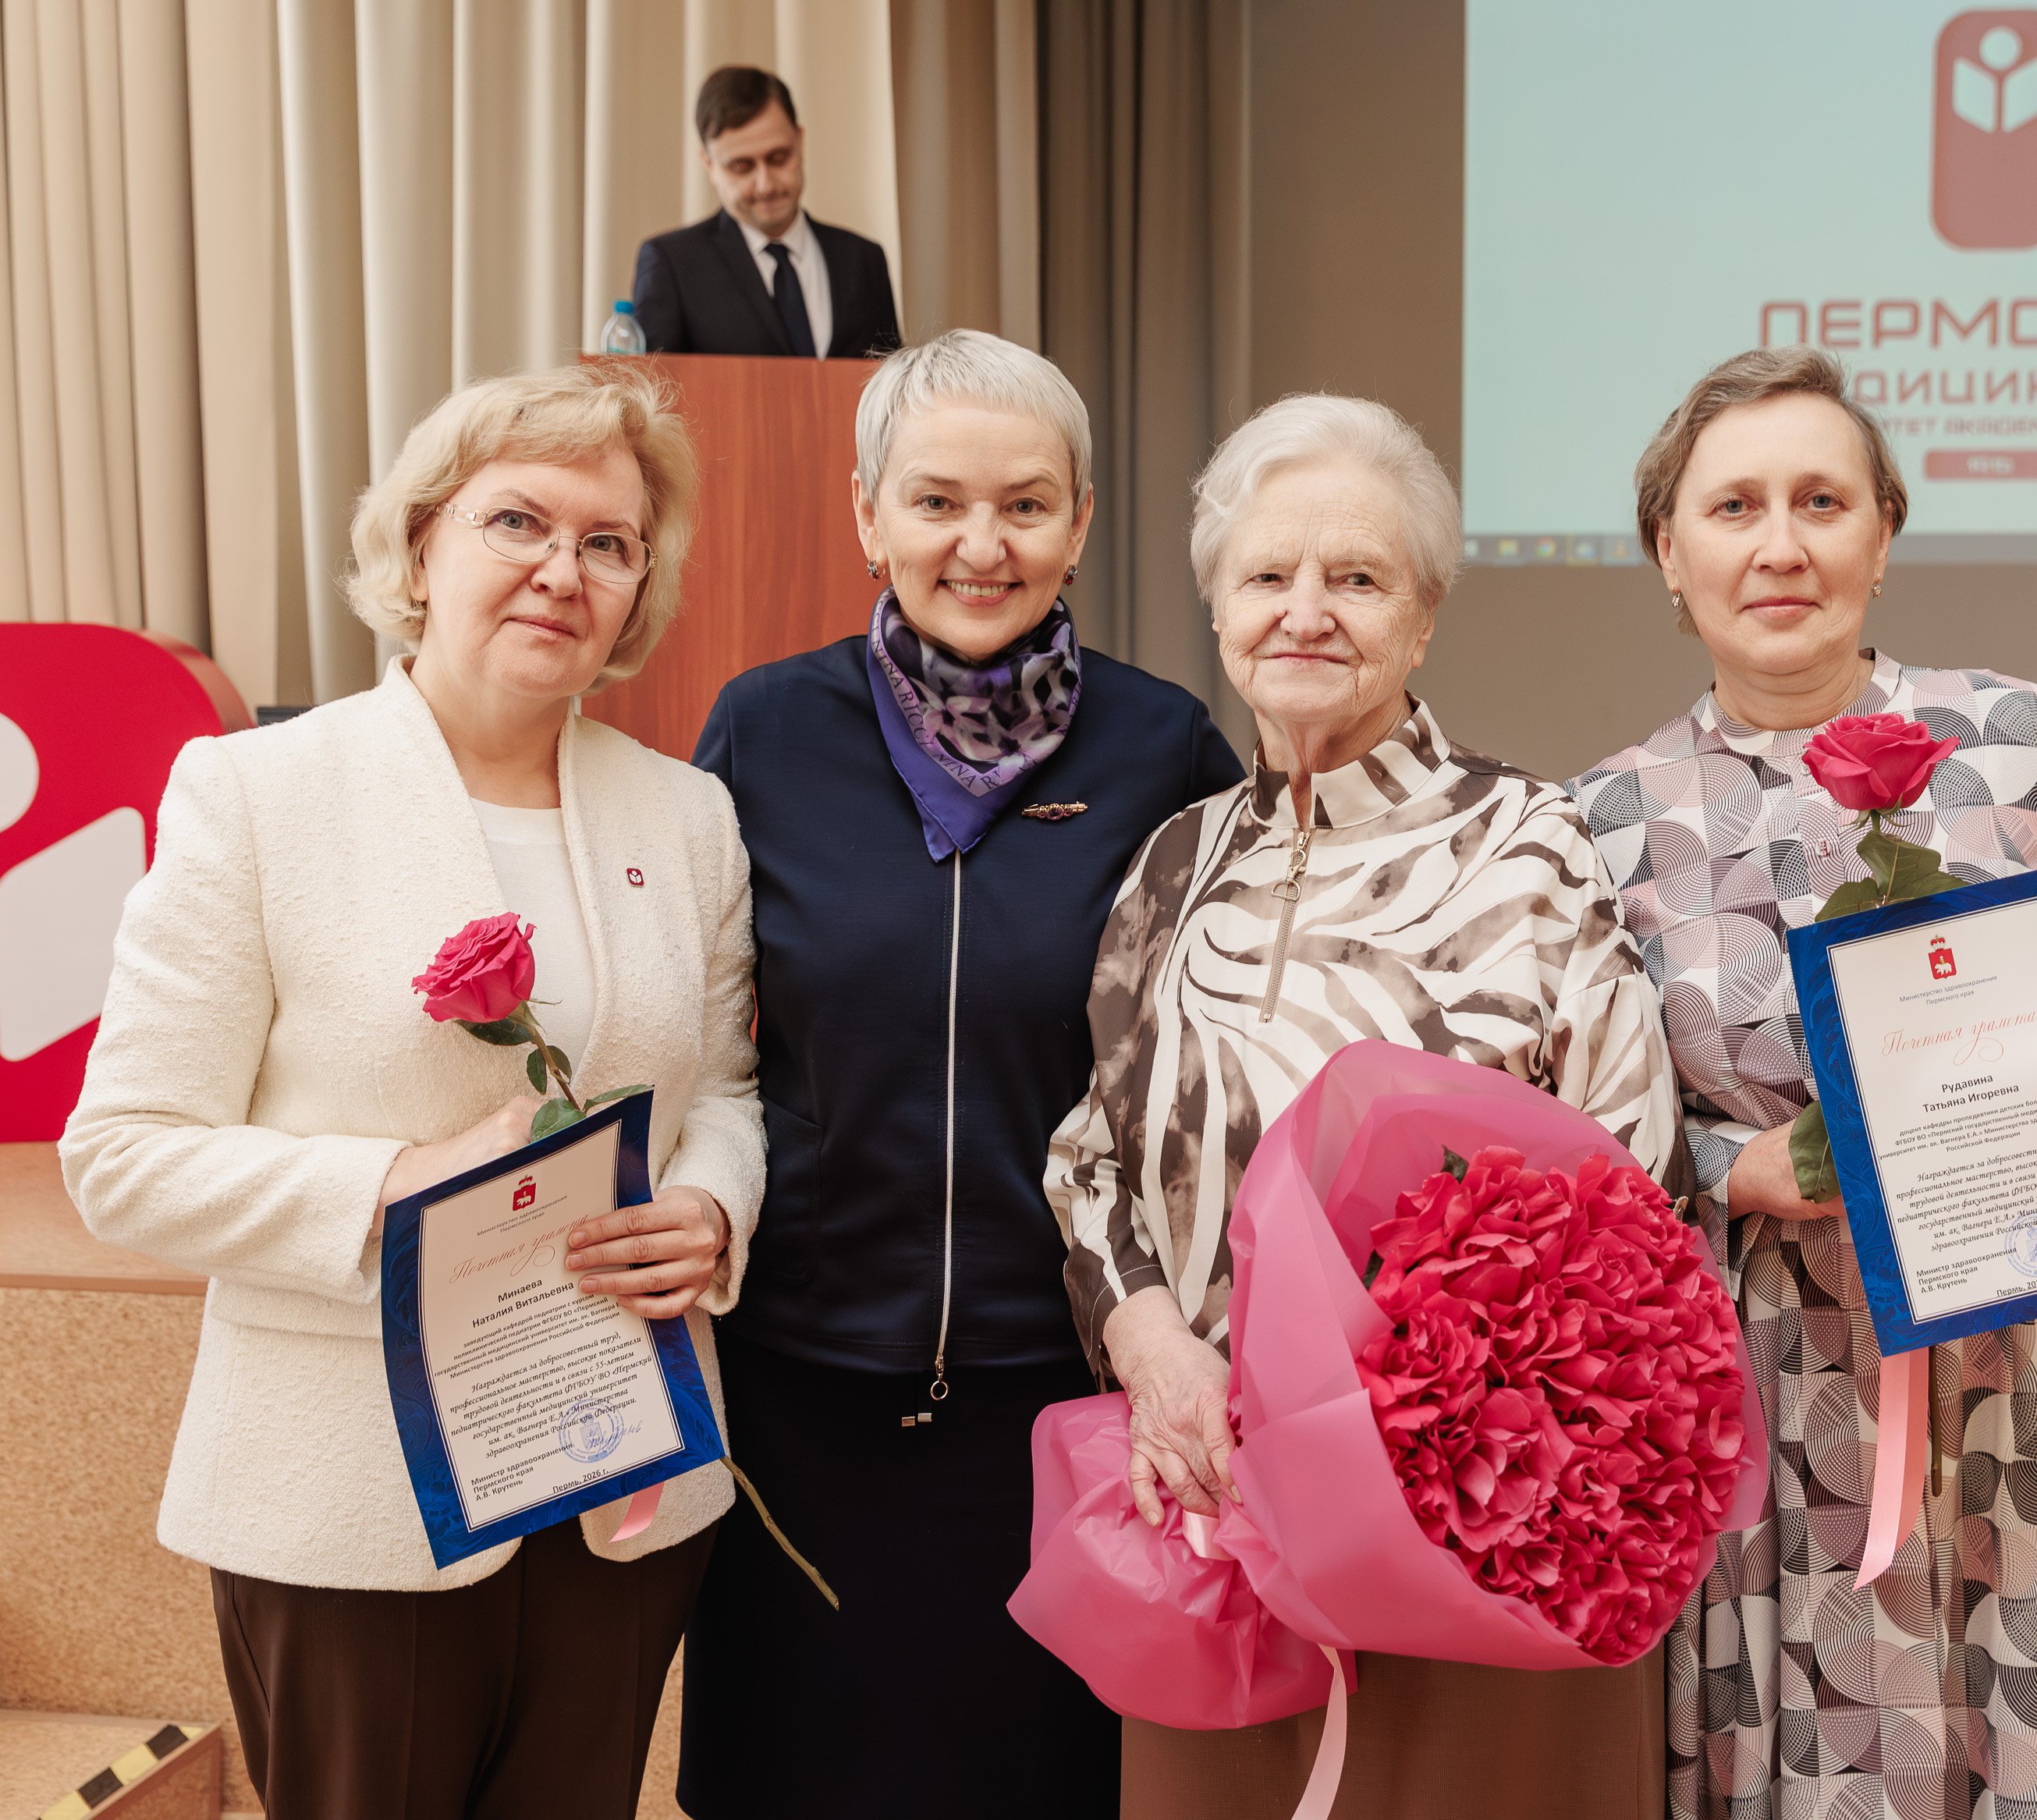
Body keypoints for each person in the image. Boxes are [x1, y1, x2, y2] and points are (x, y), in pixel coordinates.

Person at [61, 364, 761, 1820]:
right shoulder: (255, 795)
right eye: (519, 521)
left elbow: (725, 1090)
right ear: (423, 542)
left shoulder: (688, 812)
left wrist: (710, 1207)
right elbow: (124, 1152)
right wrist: (390, 1185)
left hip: (618, 1483)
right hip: (351, 1497)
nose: (562, 570)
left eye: (610, 543)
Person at [1567, 346, 2037, 1820]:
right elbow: (1591, 1135)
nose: (1780, 545)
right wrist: (1727, 1169)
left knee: (2014, 1733)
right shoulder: (1601, 819)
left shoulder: (2012, 741)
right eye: (1734, 506)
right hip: (1775, 1384)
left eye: (1821, 501)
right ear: (1668, 551)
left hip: (2023, 1362)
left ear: (1883, 535)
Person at [1050, 393, 1684, 1820]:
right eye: (1267, 574)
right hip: (1217, 1506)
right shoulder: (1172, 863)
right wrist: (1153, 1351)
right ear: (1219, 606)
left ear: (1425, 615)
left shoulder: (1526, 845)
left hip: (1480, 1527)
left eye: (1357, 577)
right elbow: (1093, 1158)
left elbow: (1633, 1183)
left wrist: (1415, 1425)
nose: (1306, 611)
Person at [675, 328, 1247, 1819]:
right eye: (936, 501)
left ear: (1082, 521)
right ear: (868, 515)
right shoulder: (761, 729)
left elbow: (1207, 1078)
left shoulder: (1164, 744)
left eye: (1025, 505)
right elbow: (702, 1045)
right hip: (800, 1394)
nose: (981, 545)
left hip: (1059, 1400)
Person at [632, 65, 901, 360]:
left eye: (778, 158)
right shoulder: (670, 264)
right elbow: (650, 386)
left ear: (800, 141)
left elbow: (893, 382)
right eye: (742, 167)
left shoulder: (864, 260)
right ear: (709, 165)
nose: (766, 185)